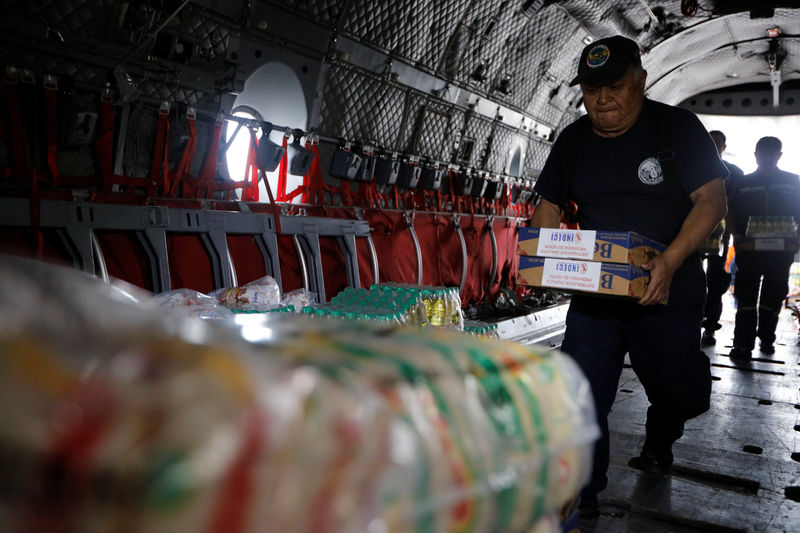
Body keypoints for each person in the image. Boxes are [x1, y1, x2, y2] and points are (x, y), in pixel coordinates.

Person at [530, 35, 728, 518]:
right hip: (598, 296)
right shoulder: (574, 139)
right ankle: (582, 497)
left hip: (669, 288)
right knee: (581, 395)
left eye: (614, 86)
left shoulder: (676, 128)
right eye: (592, 89)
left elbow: (712, 200)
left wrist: (669, 260)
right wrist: (542, 259)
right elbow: (548, 206)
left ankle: (667, 425)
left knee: (675, 390)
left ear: (640, 81)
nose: (602, 99)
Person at [726, 136, 800, 359]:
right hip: (749, 250)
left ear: (779, 155)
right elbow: (729, 211)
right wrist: (736, 237)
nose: (766, 158)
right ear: (756, 155)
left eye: (771, 154)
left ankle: (767, 338)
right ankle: (742, 344)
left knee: (774, 294)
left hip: (781, 251)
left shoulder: (793, 181)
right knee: (746, 297)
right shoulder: (743, 182)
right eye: (762, 154)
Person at [700, 131, 744, 345]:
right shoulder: (692, 167)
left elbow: (736, 206)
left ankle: (710, 326)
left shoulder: (734, 172)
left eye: (717, 143)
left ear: (724, 147)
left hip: (722, 236)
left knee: (716, 284)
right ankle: (691, 320)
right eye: (709, 142)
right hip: (693, 232)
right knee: (690, 279)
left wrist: (733, 235)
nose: (713, 146)